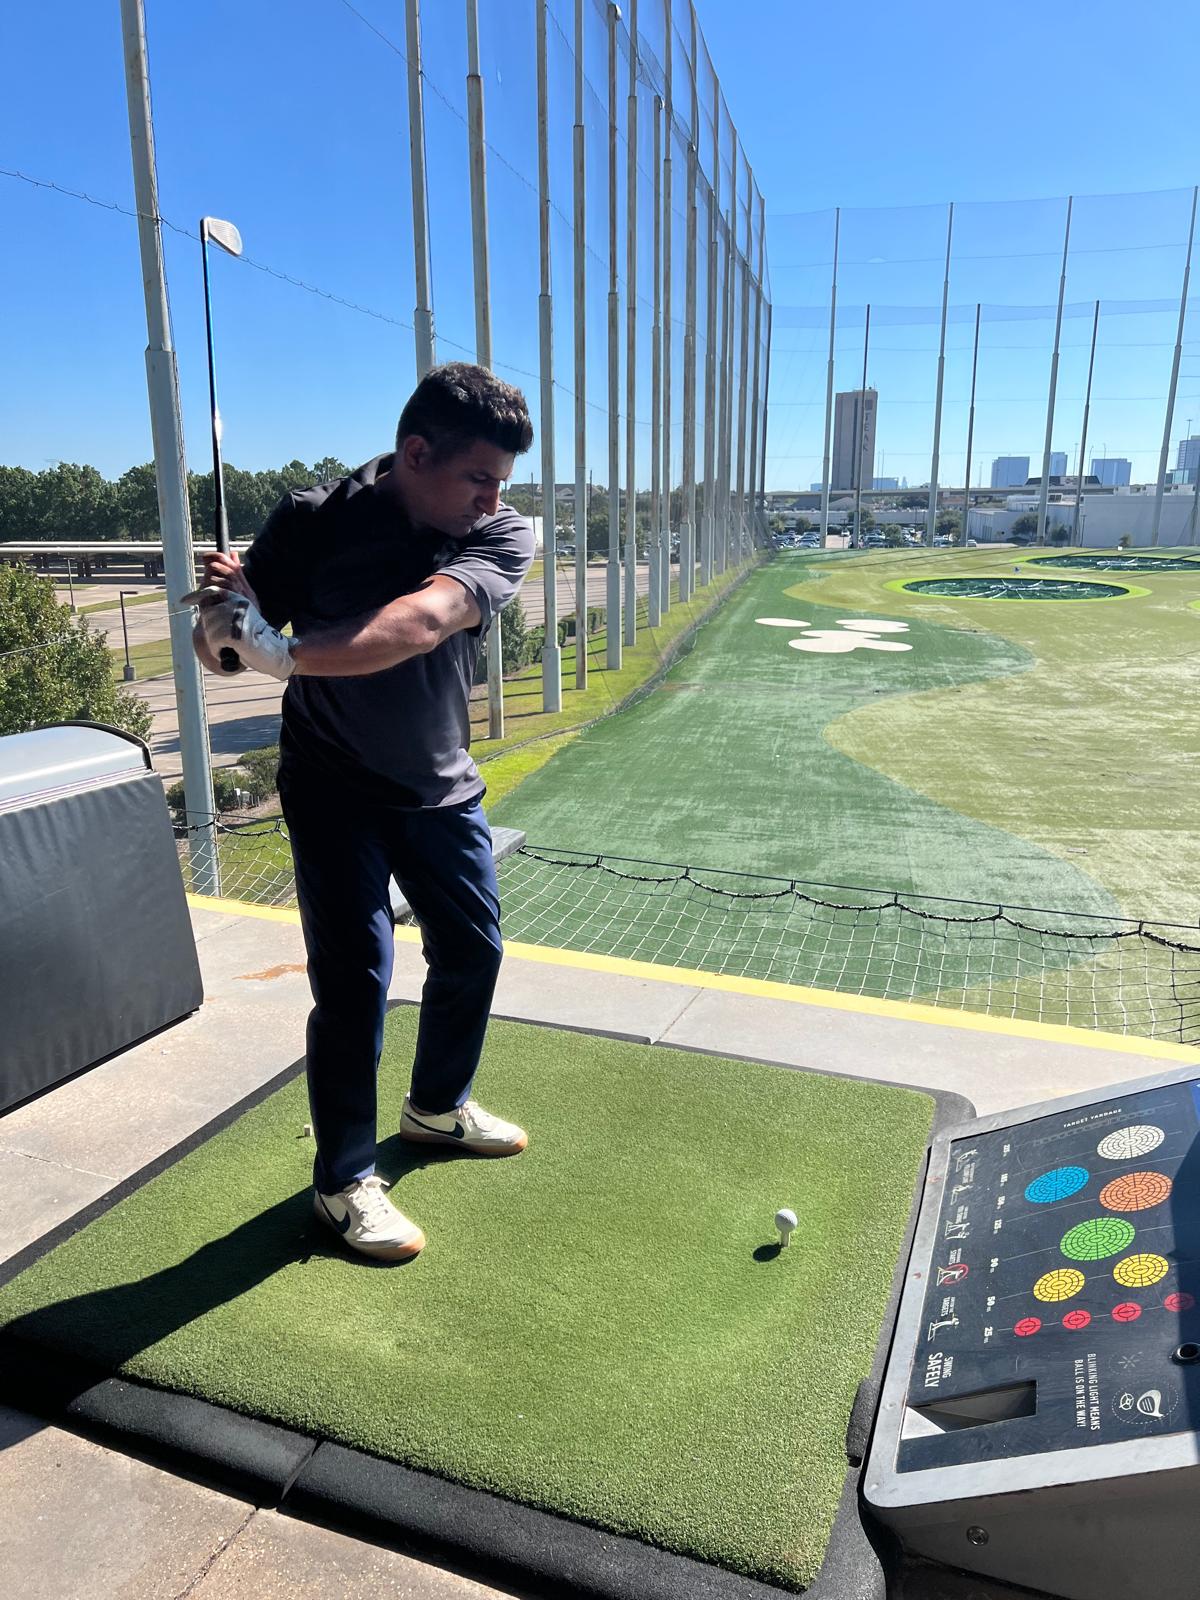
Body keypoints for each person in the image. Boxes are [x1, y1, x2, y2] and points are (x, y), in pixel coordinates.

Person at [189, 363, 536, 1263]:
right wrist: (225, 623)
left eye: (502, 481)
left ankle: (436, 1108)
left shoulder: (499, 534)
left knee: (474, 951)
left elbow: (422, 622)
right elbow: (223, 644)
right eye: (479, 477)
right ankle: (343, 1180)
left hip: (439, 783)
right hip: (332, 785)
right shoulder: (314, 518)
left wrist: (281, 653)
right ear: (415, 452)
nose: (494, 499)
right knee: (354, 984)